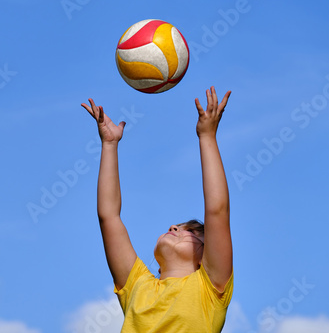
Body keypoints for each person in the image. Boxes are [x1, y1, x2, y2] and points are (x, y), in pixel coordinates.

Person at [81, 86, 233, 333]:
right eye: (176, 226)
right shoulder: (138, 285)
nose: (175, 227)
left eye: (192, 231)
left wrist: (207, 137)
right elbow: (109, 216)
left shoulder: (209, 288)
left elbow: (217, 211)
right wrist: (109, 145)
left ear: (206, 257)